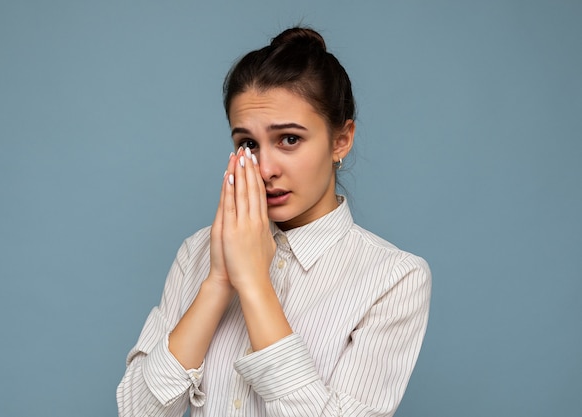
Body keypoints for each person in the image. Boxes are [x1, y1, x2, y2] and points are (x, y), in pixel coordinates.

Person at [117, 26, 431, 417]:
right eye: (247, 143)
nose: (265, 169)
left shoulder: (393, 278)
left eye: (289, 140)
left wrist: (253, 284)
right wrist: (217, 282)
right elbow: (135, 412)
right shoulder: (197, 252)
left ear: (341, 140)